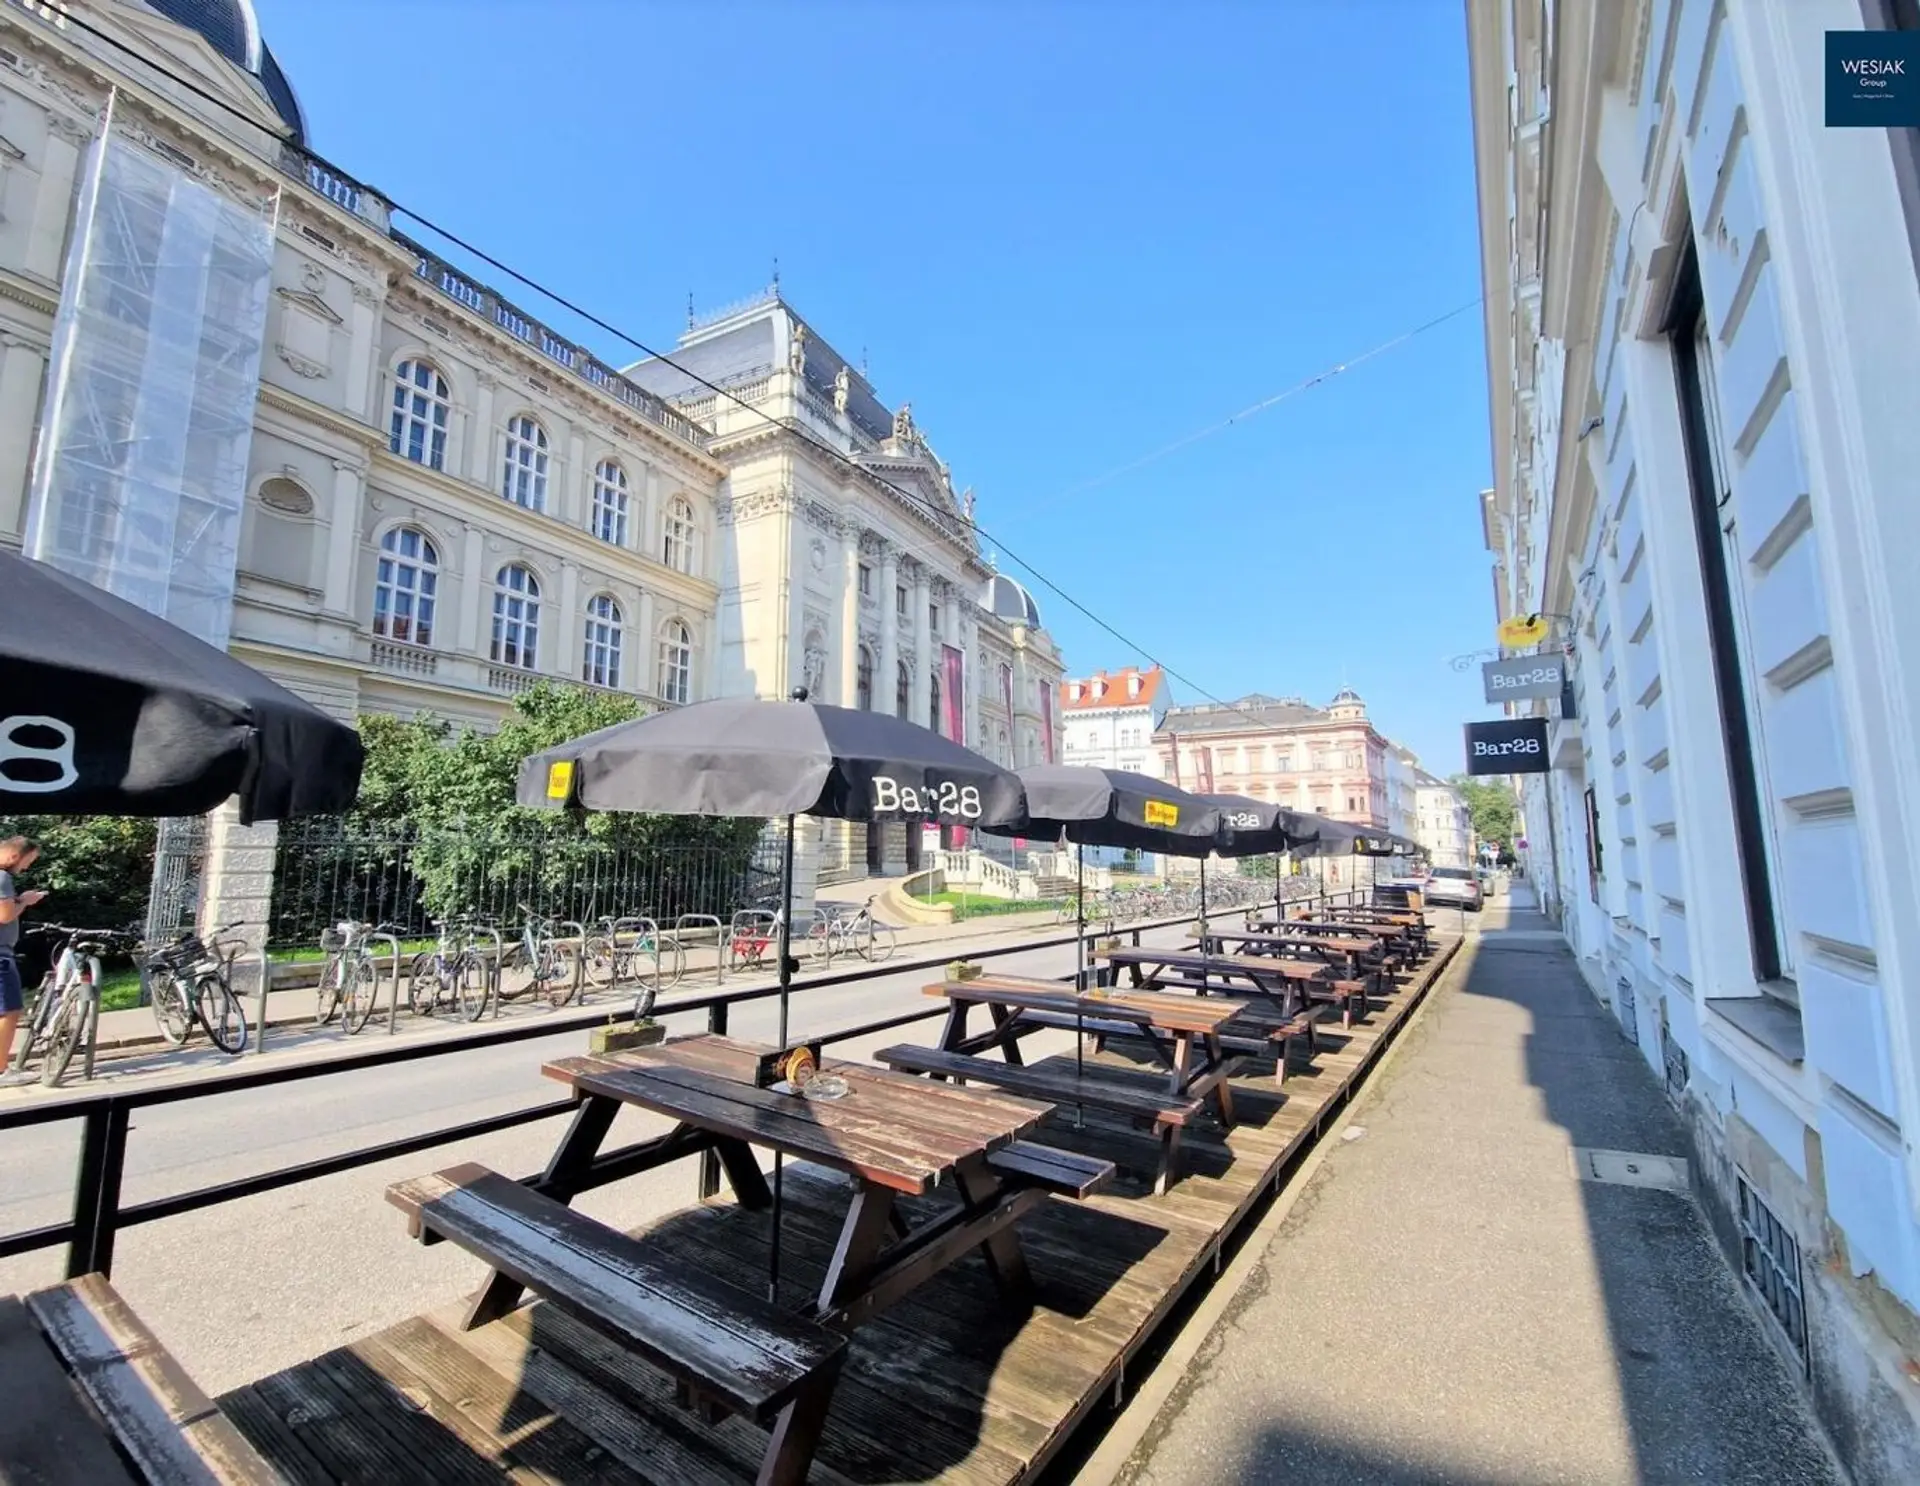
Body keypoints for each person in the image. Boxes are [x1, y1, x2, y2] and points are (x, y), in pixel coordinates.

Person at [0, 835, 48, 1085]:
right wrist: (25, 901)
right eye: (28, 861)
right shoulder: (3, 878)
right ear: (14, 855)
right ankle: (1, 1070)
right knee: (9, 1011)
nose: (26, 867)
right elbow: (5, 915)